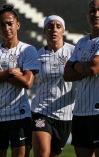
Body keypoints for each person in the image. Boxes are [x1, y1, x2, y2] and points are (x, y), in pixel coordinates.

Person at [0, 4, 38, 157]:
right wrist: (11, 73)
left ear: (17, 24)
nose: (6, 28)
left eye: (10, 23)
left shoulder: (28, 50)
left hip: (19, 115)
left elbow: (27, 82)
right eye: (2, 24)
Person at [31, 15, 75, 157]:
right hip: (41, 111)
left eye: (58, 26)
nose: (54, 30)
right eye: (50, 26)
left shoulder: (74, 52)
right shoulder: (36, 56)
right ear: (44, 31)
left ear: (63, 30)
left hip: (66, 115)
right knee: (43, 153)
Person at [63, 0, 99, 157]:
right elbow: (67, 74)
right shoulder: (82, 42)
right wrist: (82, 68)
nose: (96, 14)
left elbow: (93, 68)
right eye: (92, 10)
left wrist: (76, 65)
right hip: (80, 111)